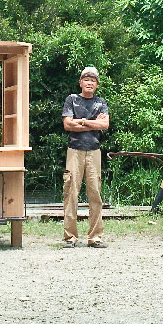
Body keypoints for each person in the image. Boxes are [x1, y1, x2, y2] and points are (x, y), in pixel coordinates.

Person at [61, 66, 109, 248]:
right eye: (86, 79)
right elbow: (67, 124)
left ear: (96, 84)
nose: (89, 83)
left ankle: (95, 237)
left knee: (95, 193)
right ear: (80, 82)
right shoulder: (71, 100)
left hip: (94, 151)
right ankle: (70, 237)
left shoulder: (101, 102)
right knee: (71, 192)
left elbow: (105, 125)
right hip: (74, 151)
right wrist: (93, 123)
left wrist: (80, 121)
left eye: (93, 80)